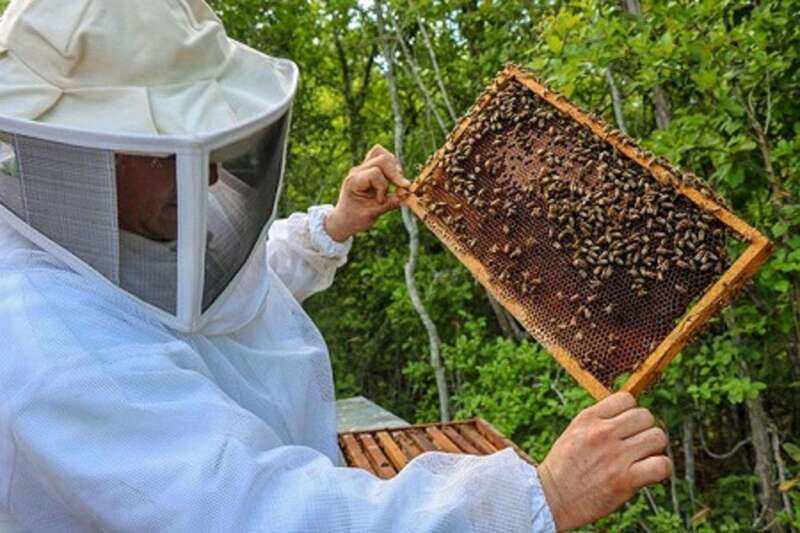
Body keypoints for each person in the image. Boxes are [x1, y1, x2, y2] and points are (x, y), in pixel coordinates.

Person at [0, 0, 671, 531]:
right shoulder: (45, 353)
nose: (207, 178)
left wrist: (333, 225)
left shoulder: (98, 239)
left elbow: (209, 291)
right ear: (78, 156)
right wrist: (536, 497)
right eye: (163, 152)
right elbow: (262, 514)